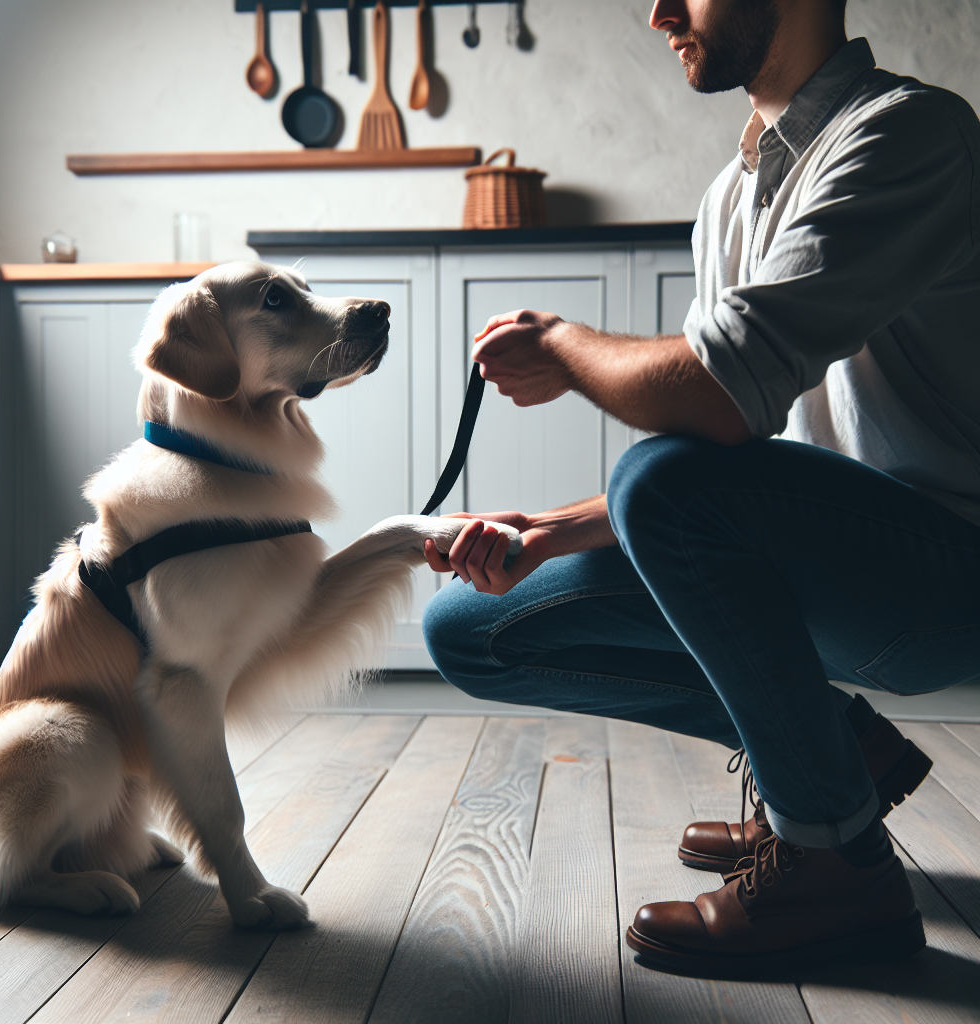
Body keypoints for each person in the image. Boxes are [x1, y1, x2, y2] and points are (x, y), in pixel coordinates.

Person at [420, 0, 980, 976]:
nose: (657, 10)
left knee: (666, 475)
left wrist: (560, 345)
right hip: (822, 565)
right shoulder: (732, 194)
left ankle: (832, 855)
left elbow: (716, 401)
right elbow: (720, 470)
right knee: (471, 627)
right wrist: (547, 533)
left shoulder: (908, 134)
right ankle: (830, 760)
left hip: (942, 582)